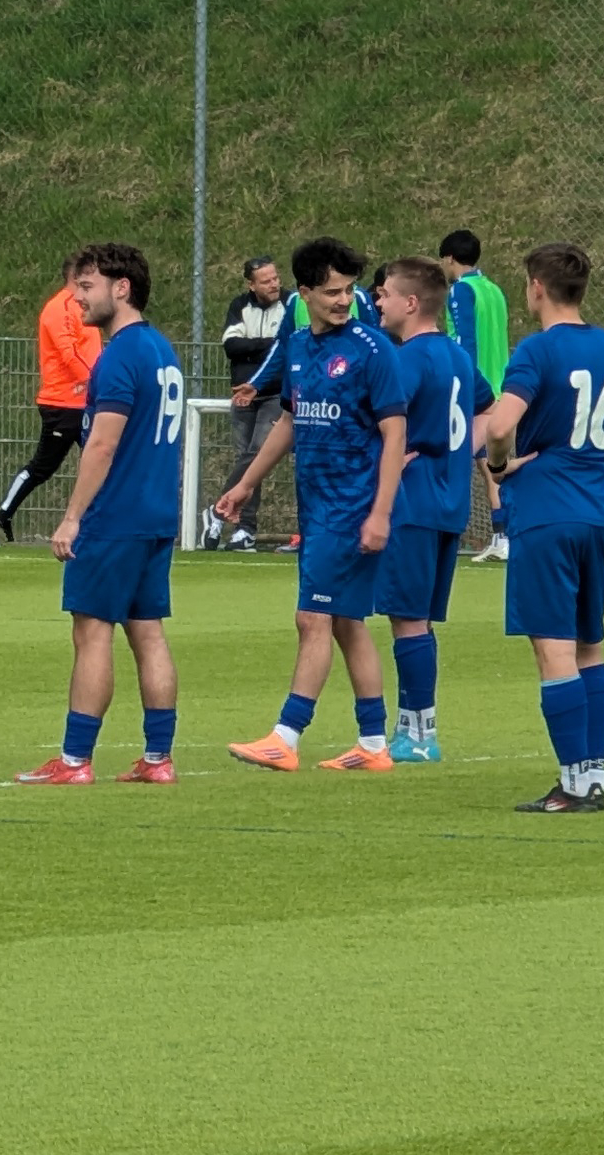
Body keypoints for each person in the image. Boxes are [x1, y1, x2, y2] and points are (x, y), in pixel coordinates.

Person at [471, 240, 604, 814]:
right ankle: (592, 777)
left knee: (553, 649)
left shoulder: (536, 351)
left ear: (537, 287)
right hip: (597, 512)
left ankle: (572, 784)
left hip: (545, 512)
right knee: (590, 647)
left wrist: (497, 467)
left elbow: (499, 427)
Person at [216, 236, 408, 772]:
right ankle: (373, 744)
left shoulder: (373, 352)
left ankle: (286, 735)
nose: (343, 301)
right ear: (304, 293)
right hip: (316, 507)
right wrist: (247, 484)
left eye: (348, 291)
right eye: (331, 292)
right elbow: (289, 422)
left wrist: (380, 512)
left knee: (312, 618)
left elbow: (396, 436)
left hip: (350, 509)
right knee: (346, 622)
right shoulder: (299, 346)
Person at [16, 243, 185, 785]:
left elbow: (103, 446)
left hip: (115, 518)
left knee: (92, 633)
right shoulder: (162, 350)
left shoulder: (119, 356)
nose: (76, 296)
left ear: (121, 288)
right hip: (157, 514)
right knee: (149, 633)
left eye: (86, 286)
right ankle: (158, 759)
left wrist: (72, 518)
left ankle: (73, 761)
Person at [375, 257, 480, 761]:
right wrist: (462, 454)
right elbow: (485, 408)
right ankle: (418, 726)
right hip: (450, 500)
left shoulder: (407, 358)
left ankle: (417, 735)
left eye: (386, 294)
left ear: (411, 303)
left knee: (406, 618)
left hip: (413, 502)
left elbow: (386, 425)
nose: (378, 301)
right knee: (419, 620)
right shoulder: (458, 356)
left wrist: (395, 460)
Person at [0, 271, 104, 544]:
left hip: (84, 402)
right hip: (63, 404)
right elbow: (70, 354)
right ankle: (0, 517)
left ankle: (100, 524)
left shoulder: (83, 308)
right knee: (43, 466)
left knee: (103, 461)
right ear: (76, 276)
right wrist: (96, 381)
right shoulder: (59, 308)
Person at [440, 231, 514, 561]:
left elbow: (464, 342)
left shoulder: (461, 291)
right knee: (493, 467)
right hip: (502, 384)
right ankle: (504, 536)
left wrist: (463, 384)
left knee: (485, 468)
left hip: (479, 391)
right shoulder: (494, 290)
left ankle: (504, 536)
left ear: (449, 259)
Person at [205, 257, 287, 551]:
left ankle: (217, 511)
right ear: (250, 284)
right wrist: (269, 344)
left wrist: (254, 348)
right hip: (243, 394)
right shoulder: (239, 305)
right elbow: (231, 346)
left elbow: (286, 344)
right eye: (266, 281)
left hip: (277, 395)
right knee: (249, 460)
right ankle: (245, 529)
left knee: (257, 454)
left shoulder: (290, 304)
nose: (274, 284)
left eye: (275, 277)